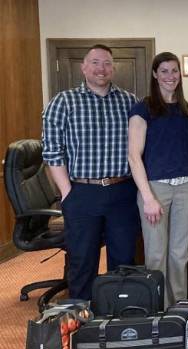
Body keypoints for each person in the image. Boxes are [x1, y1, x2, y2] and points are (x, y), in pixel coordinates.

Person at [42, 44, 140, 300]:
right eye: (95, 62)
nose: (101, 68)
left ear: (113, 68)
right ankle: (82, 319)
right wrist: (66, 192)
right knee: (82, 259)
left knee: (124, 260)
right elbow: (52, 151)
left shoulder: (130, 102)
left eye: (107, 63)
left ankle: (119, 316)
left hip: (122, 191)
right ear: (84, 67)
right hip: (82, 192)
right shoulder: (63, 102)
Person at [127, 52, 188, 307]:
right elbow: (134, 156)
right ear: (155, 74)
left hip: (186, 187)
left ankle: (177, 309)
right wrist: (148, 198)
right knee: (156, 255)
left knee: (180, 255)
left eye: (174, 71)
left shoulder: (185, 110)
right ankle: (157, 310)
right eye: (164, 71)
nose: (170, 76)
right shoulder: (143, 108)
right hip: (155, 190)